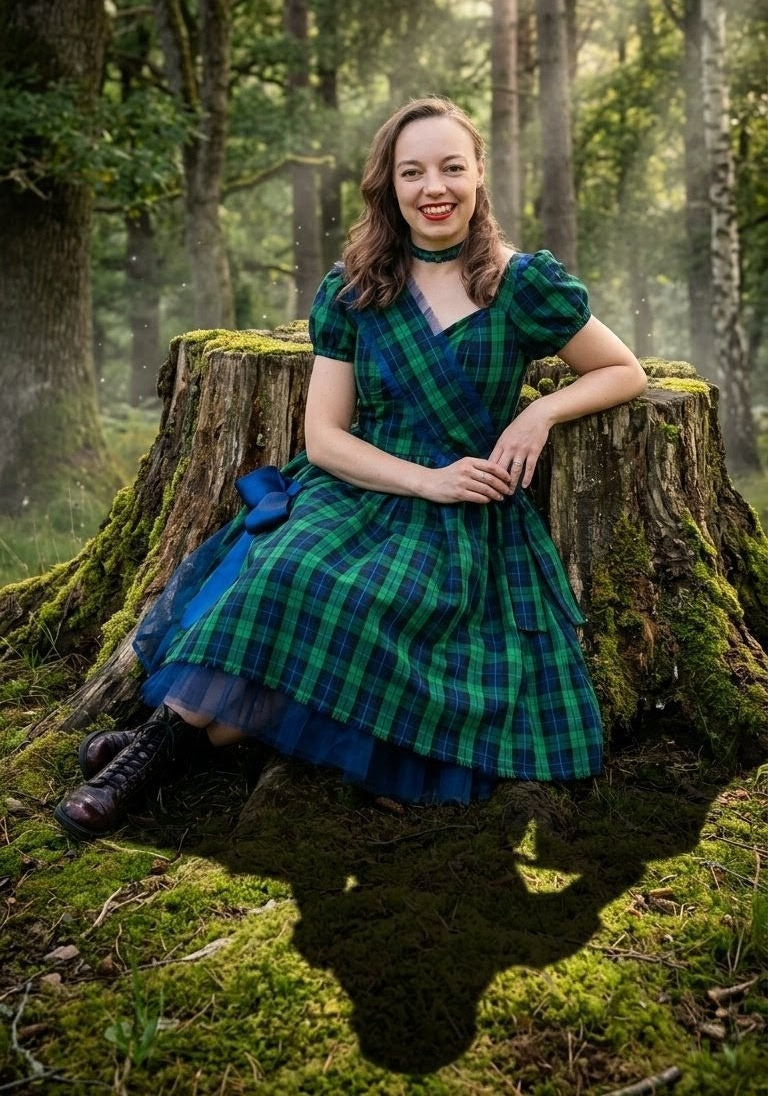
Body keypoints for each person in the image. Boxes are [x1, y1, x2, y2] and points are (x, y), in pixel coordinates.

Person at [54, 96, 647, 839]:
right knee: (284, 575)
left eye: (451, 167)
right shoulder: (356, 288)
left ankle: (165, 743)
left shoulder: (523, 285)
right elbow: (326, 437)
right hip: (360, 487)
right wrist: (423, 478)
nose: (434, 187)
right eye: (413, 172)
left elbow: (624, 370)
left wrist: (538, 412)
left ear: (479, 174)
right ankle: (135, 767)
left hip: (466, 517)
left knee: (362, 622)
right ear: (390, 186)